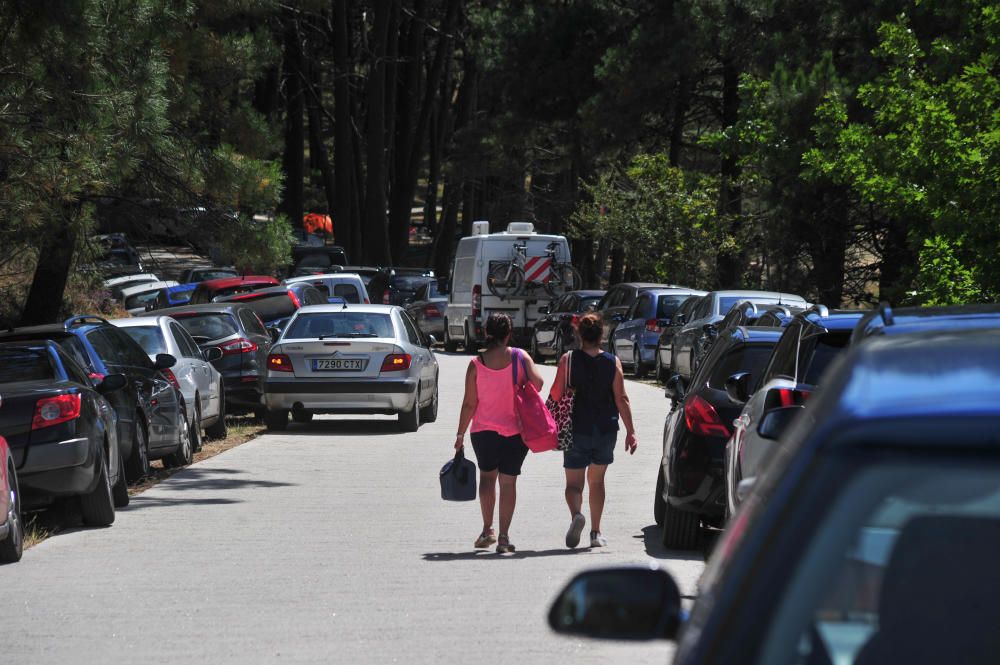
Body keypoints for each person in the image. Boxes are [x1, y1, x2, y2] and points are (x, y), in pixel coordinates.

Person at [454, 313, 544, 553]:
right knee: (508, 482)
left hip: (484, 431)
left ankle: (487, 529)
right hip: (516, 431)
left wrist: (460, 434)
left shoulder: (476, 364)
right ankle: (504, 537)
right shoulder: (520, 357)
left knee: (487, 479)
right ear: (509, 334)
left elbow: (469, 404)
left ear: (486, 333)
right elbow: (539, 384)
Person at [548, 312, 637, 548]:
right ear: (601, 335)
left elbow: (556, 394)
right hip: (606, 429)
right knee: (597, 482)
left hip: (576, 429)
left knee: (573, 485)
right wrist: (631, 431)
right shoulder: (612, 362)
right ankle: (596, 533)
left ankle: (577, 515)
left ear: (579, 334)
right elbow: (622, 399)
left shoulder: (568, 360)